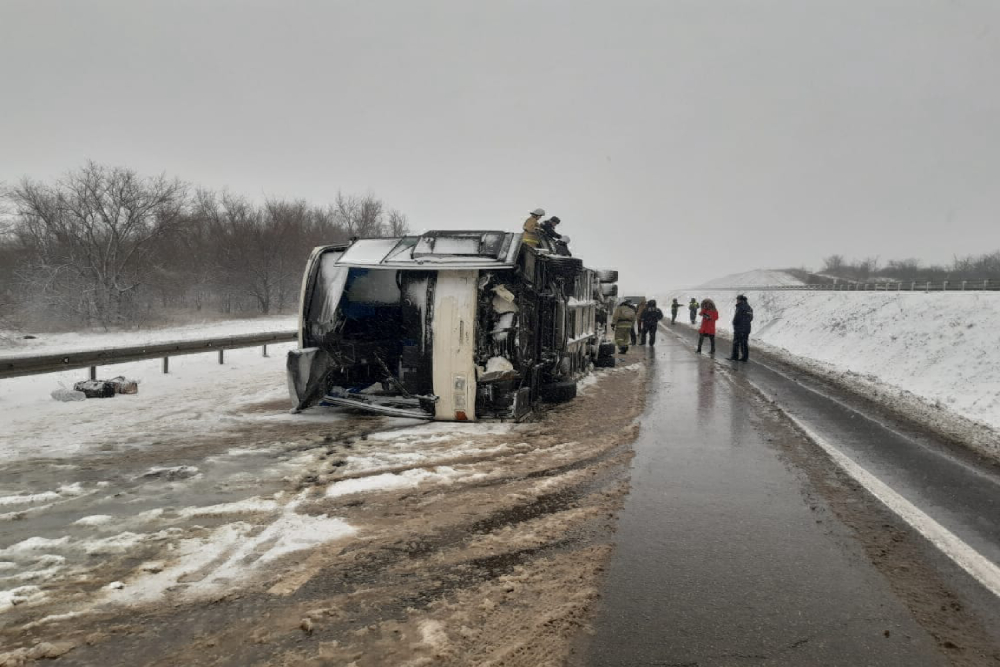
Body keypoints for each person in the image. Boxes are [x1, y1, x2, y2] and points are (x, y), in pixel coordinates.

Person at [730, 294, 754, 362]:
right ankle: (744, 358)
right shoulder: (749, 308)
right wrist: (745, 323)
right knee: (744, 343)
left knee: (736, 342)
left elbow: (737, 318)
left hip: (739, 328)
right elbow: (751, 318)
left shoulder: (740, 307)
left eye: (737, 300)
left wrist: (734, 323)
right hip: (747, 328)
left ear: (740, 300)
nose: (736, 301)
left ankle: (735, 357)